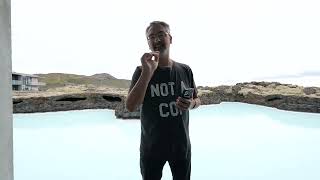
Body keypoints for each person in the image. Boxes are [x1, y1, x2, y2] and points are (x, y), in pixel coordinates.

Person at [126, 21, 201, 180]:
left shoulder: (185, 70)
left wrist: (191, 104)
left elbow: (197, 99)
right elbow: (131, 106)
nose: (156, 40)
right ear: (148, 42)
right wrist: (148, 72)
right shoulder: (141, 71)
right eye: (151, 37)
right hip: (151, 149)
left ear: (170, 38)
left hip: (181, 147)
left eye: (161, 35)